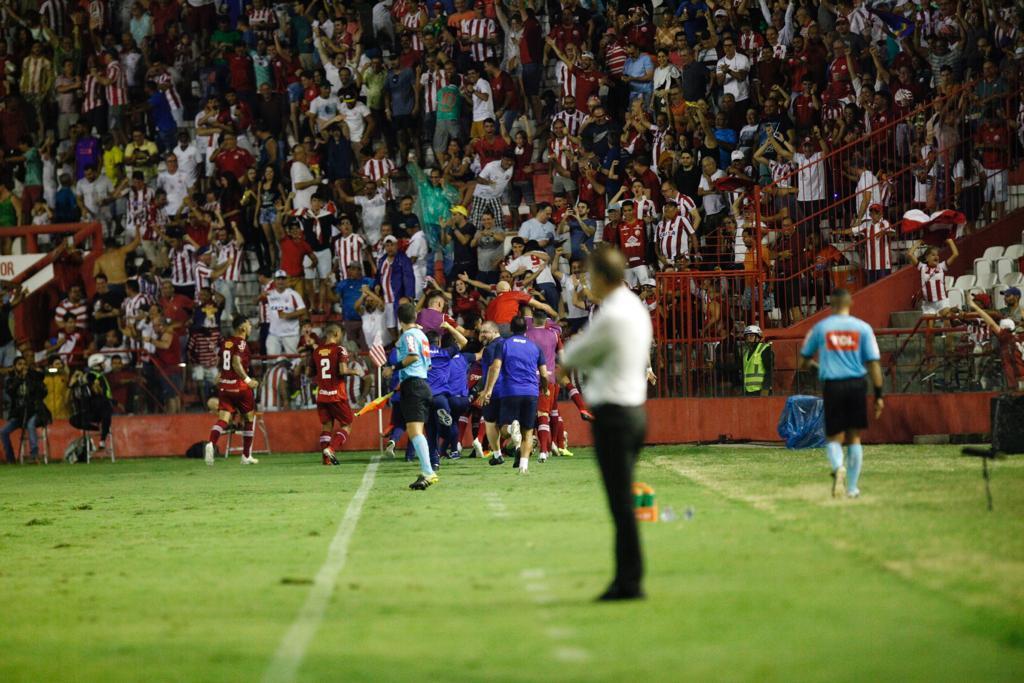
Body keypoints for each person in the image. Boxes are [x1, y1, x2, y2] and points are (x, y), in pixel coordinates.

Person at [559, 248, 653, 601]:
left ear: (600, 276)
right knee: (622, 500)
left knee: (620, 504)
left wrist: (565, 359)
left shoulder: (611, 313)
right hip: (633, 410)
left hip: (614, 415)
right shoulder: (634, 307)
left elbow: (573, 356)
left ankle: (629, 581)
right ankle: (627, 577)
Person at [798, 289, 884, 500]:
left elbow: (803, 361)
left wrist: (819, 368)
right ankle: (852, 489)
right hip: (856, 385)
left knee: (834, 437)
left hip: (833, 385)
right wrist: (879, 394)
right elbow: (873, 363)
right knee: (854, 437)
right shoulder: (863, 328)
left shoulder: (821, 328)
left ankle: (838, 467)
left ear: (831, 305)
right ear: (850, 303)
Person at [480, 315, 548, 474]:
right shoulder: (535, 347)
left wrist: (488, 390)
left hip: (510, 391)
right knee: (528, 432)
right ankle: (523, 467)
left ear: (510, 328)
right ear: (526, 329)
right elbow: (544, 374)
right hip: (531, 392)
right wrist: (545, 388)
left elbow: (495, 367)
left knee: (504, 430)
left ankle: (512, 428)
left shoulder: (504, 344)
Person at [392, 302, 438, 490]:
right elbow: (427, 364)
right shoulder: (422, 335)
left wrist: (394, 368)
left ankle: (428, 472)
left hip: (414, 385)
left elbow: (413, 356)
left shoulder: (409, 335)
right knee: (416, 430)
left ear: (399, 319)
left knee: (415, 431)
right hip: (422, 384)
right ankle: (427, 471)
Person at [204, 316, 260, 465]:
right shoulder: (241, 343)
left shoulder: (226, 342)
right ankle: (246, 456)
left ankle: (210, 443)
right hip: (240, 387)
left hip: (225, 386)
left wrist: (221, 375)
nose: (250, 327)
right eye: (248, 324)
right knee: (249, 418)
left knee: (223, 419)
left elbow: (224, 363)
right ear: (242, 328)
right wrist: (248, 381)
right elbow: (235, 362)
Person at [314, 324, 358, 465]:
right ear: (337, 334)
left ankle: (325, 460)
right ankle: (331, 449)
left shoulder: (316, 351)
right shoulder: (340, 349)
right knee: (347, 425)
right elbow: (343, 370)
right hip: (336, 395)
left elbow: (309, 372)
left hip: (322, 395)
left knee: (327, 426)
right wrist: (355, 372)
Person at [969, 300, 1024, 391]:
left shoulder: (1006, 338)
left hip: (1015, 377)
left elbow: (991, 323)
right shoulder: (1019, 337)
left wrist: (976, 308)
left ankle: (979, 378)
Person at [1, 356, 48, 463]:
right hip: (19, 414)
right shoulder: (10, 380)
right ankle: (10, 458)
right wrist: (19, 379)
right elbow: (10, 392)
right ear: (14, 367)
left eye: (24, 364)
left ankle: (34, 455)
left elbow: (42, 390)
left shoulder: (33, 378)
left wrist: (29, 376)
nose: (22, 366)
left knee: (30, 425)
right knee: (3, 432)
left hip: (35, 411)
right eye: (19, 364)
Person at [908, 238, 959, 318]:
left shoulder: (942, 266)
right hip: (928, 304)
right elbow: (910, 254)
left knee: (947, 321)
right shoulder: (922, 267)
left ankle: (944, 315)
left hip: (942, 302)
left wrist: (950, 242)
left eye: (937, 255)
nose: (936, 256)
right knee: (930, 329)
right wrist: (918, 243)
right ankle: (942, 314)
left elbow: (955, 254)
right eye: (933, 254)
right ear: (926, 258)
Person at [737, 325, 773, 396]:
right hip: (748, 391)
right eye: (747, 336)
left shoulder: (765, 349)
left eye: (751, 336)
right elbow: (738, 366)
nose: (748, 338)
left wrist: (766, 388)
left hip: (761, 391)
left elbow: (770, 370)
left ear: (758, 337)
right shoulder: (746, 352)